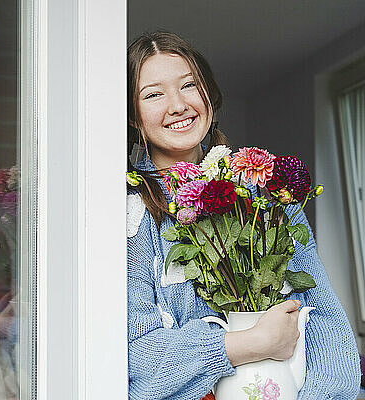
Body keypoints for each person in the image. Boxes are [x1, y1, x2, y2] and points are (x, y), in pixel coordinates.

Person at [126, 31, 360, 400]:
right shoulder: (129, 218)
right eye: (153, 94)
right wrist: (251, 343)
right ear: (132, 116)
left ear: (209, 94)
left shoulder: (267, 193)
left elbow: (325, 321)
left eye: (189, 85)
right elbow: (135, 365)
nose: (178, 105)